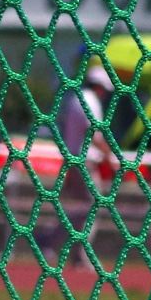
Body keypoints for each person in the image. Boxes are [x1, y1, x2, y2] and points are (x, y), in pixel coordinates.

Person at [46, 62, 118, 273]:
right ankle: (72, 252)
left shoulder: (75, 99)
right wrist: (109, 157)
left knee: (83, 208)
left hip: (73, 158)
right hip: (85, 162)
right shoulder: (89, 101)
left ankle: (51, 241)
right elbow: (93, 133)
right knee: (92, 207)